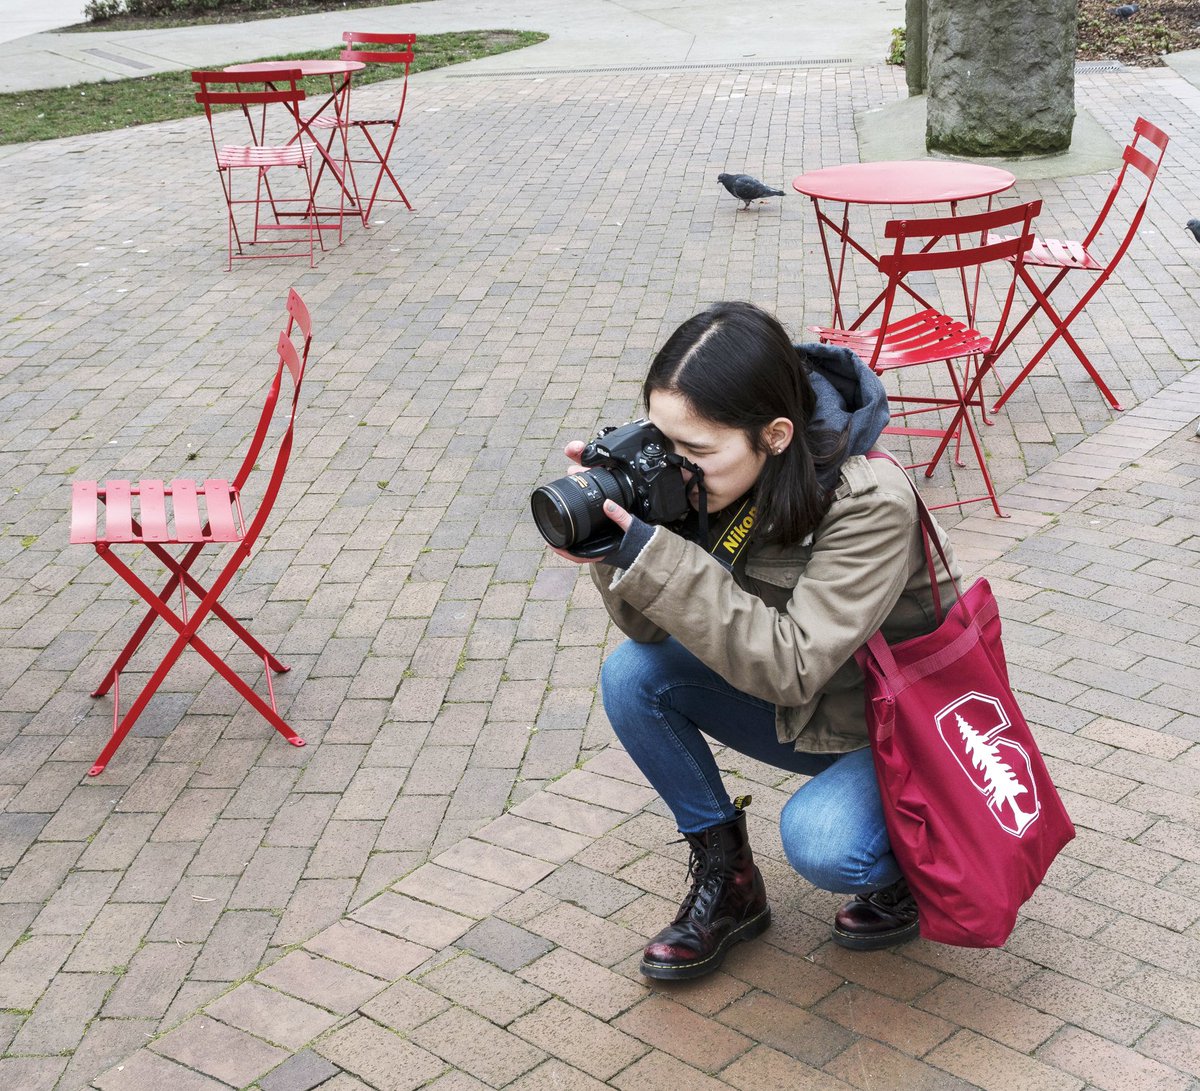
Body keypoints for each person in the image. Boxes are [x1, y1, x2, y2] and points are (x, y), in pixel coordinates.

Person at [549, 301, 961, 981]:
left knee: (826, 844)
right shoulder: (712, 480)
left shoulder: (869, 499)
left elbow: (793, 666)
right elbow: (652, 625)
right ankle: (729, 880)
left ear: (774, 435)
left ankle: (910, 864)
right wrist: (615, 542)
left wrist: (657, 558)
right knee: (635, 675)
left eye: (696, 452)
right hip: (815, 707)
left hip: (896, 728)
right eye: (662, 442)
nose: (675, 468)